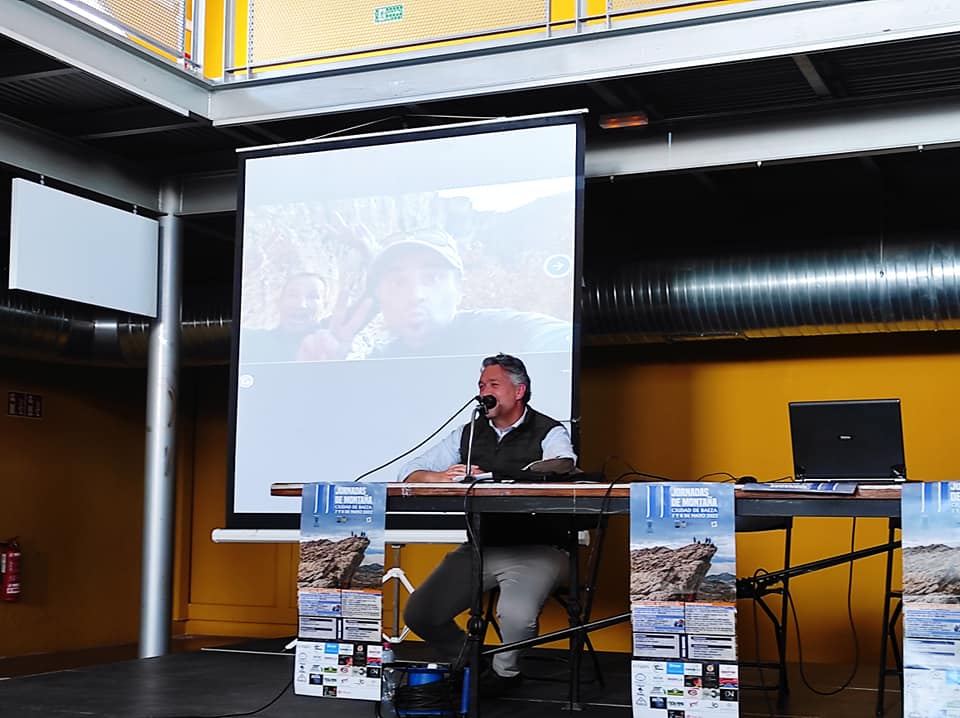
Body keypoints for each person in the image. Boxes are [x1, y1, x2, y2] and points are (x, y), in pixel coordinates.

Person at [400, 354, 576, 696]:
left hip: (538, 549)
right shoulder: (466, 433)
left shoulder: (549, 429)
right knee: (421, 613)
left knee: (516, 616)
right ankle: (473, 662)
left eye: (493, 385)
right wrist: (439, 476)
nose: (484, 392)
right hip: (481, 547)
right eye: (481, 385)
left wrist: (504, 477)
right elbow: (410, 472)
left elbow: (562, 464)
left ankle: (505, 674)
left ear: (519, 390)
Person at [367, 229, 572, 358]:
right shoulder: (380, 359)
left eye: (432, 278)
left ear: (459, 288)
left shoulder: (493, 330)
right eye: (398, 282)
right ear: (379, 297)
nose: (416, 294)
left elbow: (556, 335)